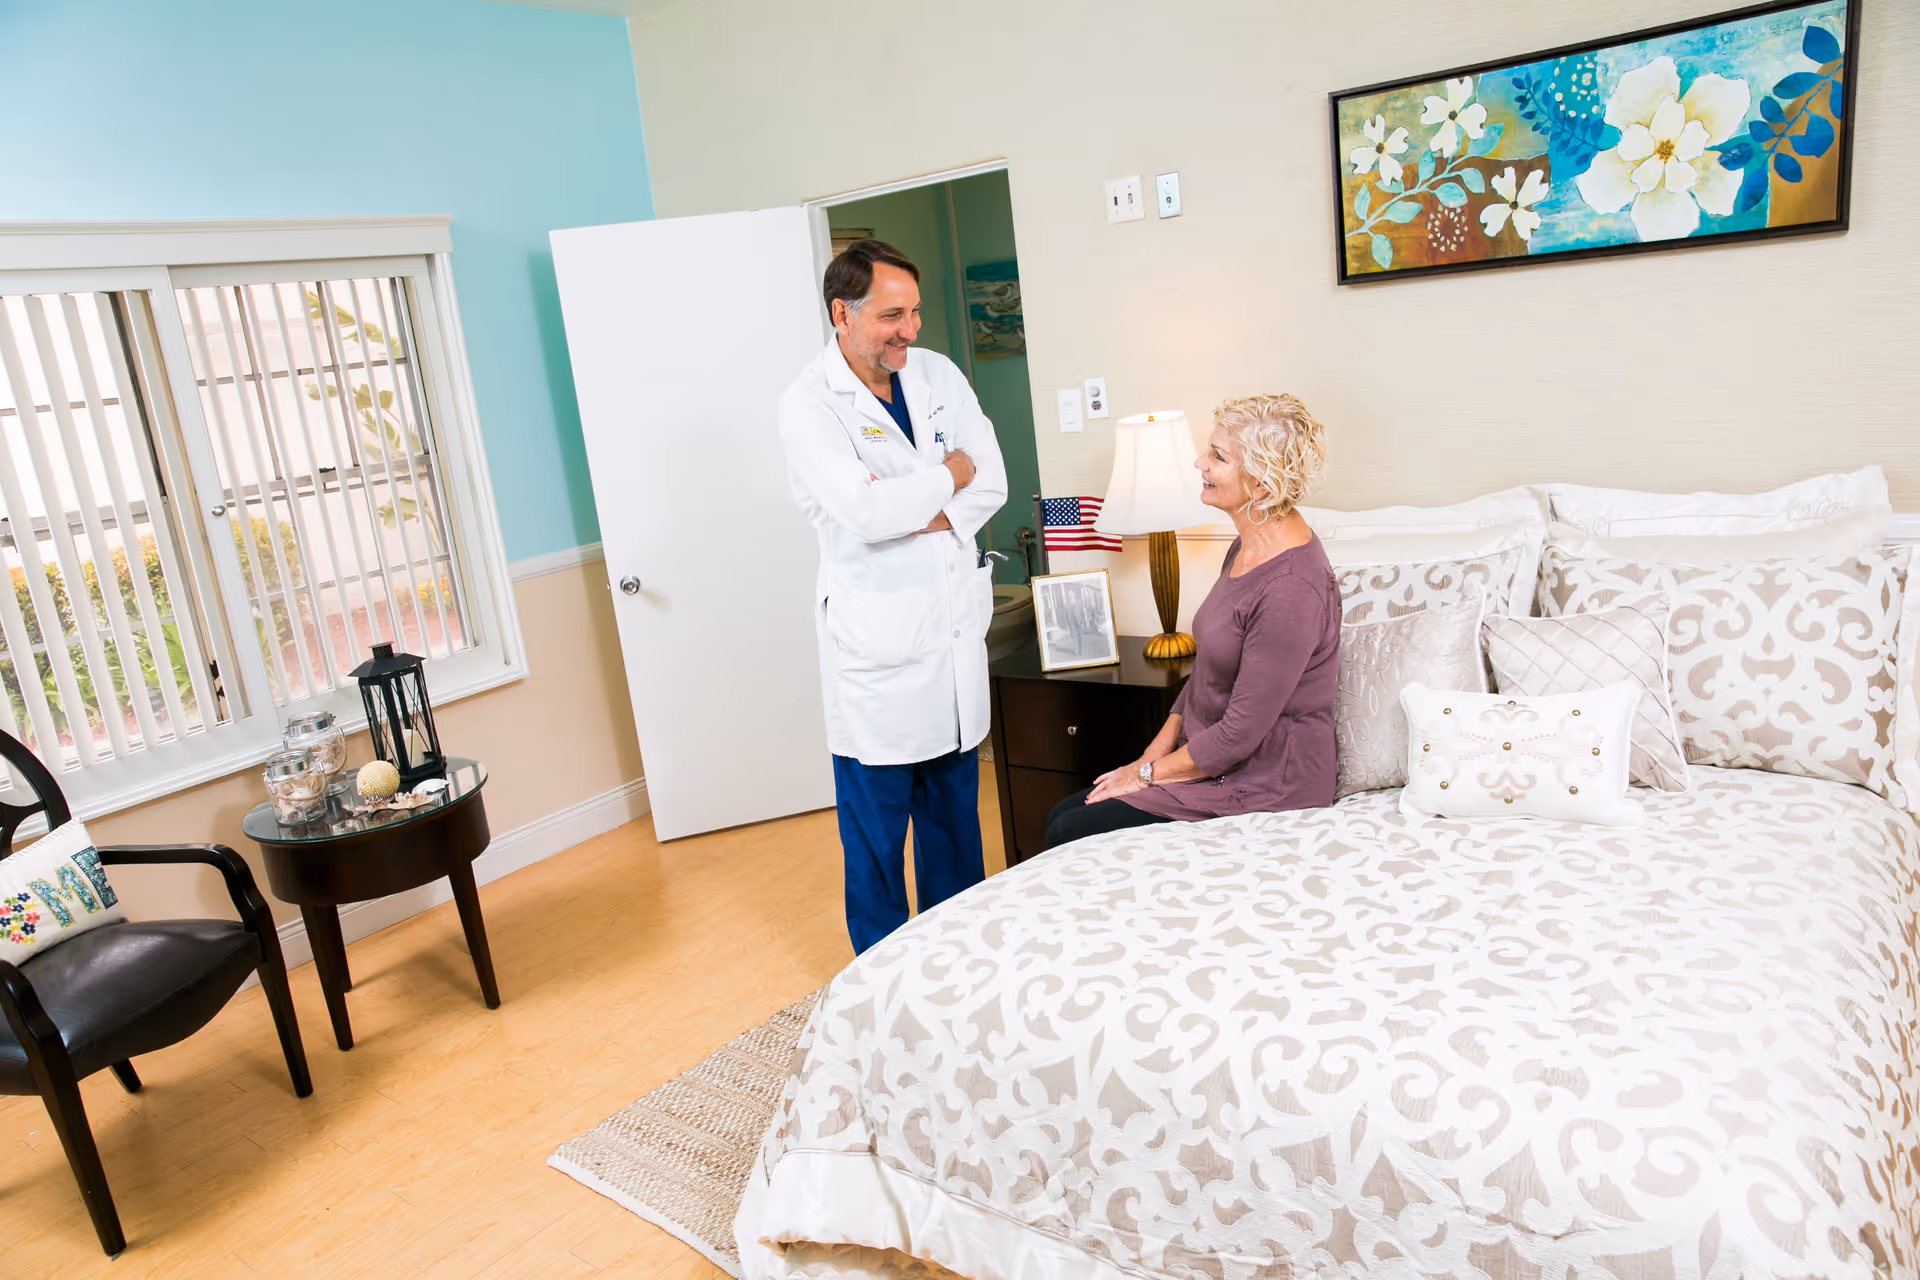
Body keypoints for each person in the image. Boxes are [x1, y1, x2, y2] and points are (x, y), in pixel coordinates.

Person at [778, 240, 1008, 953]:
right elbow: (865, 515)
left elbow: (991, 480)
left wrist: (918, 501)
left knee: (954, 835)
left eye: (914, 312)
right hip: (875, 658)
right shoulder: (809, 406)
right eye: (891, 315)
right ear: (840, 314)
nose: (909, 329)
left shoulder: (935, 374)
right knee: (877, 852)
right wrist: (949, 475)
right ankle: (879, 988)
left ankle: (957, 972)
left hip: (948, 645)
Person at [1043, 394, 1339, 849]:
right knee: (1066, 812)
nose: (1199, 463)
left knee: (1069, 828)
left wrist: (1144, 777)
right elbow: (1205, 676)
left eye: (1218, 457)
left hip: (1268, 784)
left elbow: (1239, 736)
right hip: (1210, 762)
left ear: (1261, 486)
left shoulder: (1291, 590)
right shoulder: (1247, 546)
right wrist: (1147, 760)